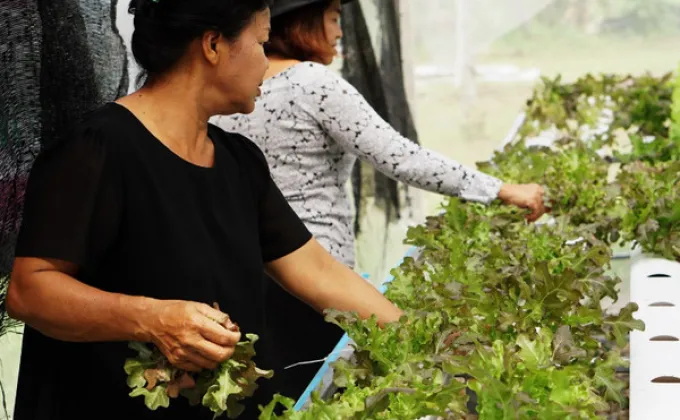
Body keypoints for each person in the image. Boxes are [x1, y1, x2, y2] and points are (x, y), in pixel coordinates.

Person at [5, 1, 403, 419]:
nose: (266, 63)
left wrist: (423, 340)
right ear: (213, 44)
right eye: (261, 42)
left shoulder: (238, 162)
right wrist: (151, 317)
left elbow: (319, 272)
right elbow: (30, 291)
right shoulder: (97, 150)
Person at [212, 0, 548, 402]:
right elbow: (401, 157)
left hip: (254, 278)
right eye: (334, 19)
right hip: (320, 280)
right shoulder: (312, 82)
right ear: (303, 22)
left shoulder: (226, 92)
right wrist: (501, 190)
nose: (339, 32)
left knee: (284, 398)